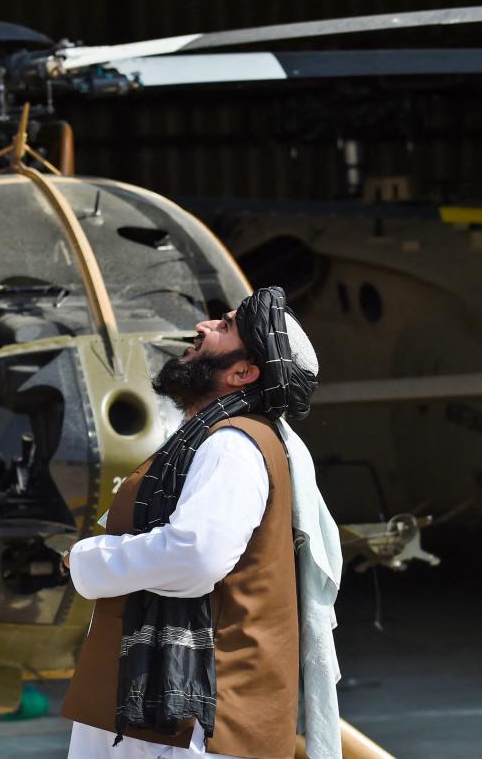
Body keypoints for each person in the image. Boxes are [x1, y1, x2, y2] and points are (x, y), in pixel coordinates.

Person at [61, 286, 344, 759]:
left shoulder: (232, 445)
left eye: (224, 326)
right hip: (163, 716)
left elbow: (196, 556)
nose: (202, 327)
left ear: (242, 372)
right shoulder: (215, 438)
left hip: (191, 719)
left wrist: (86, 559)